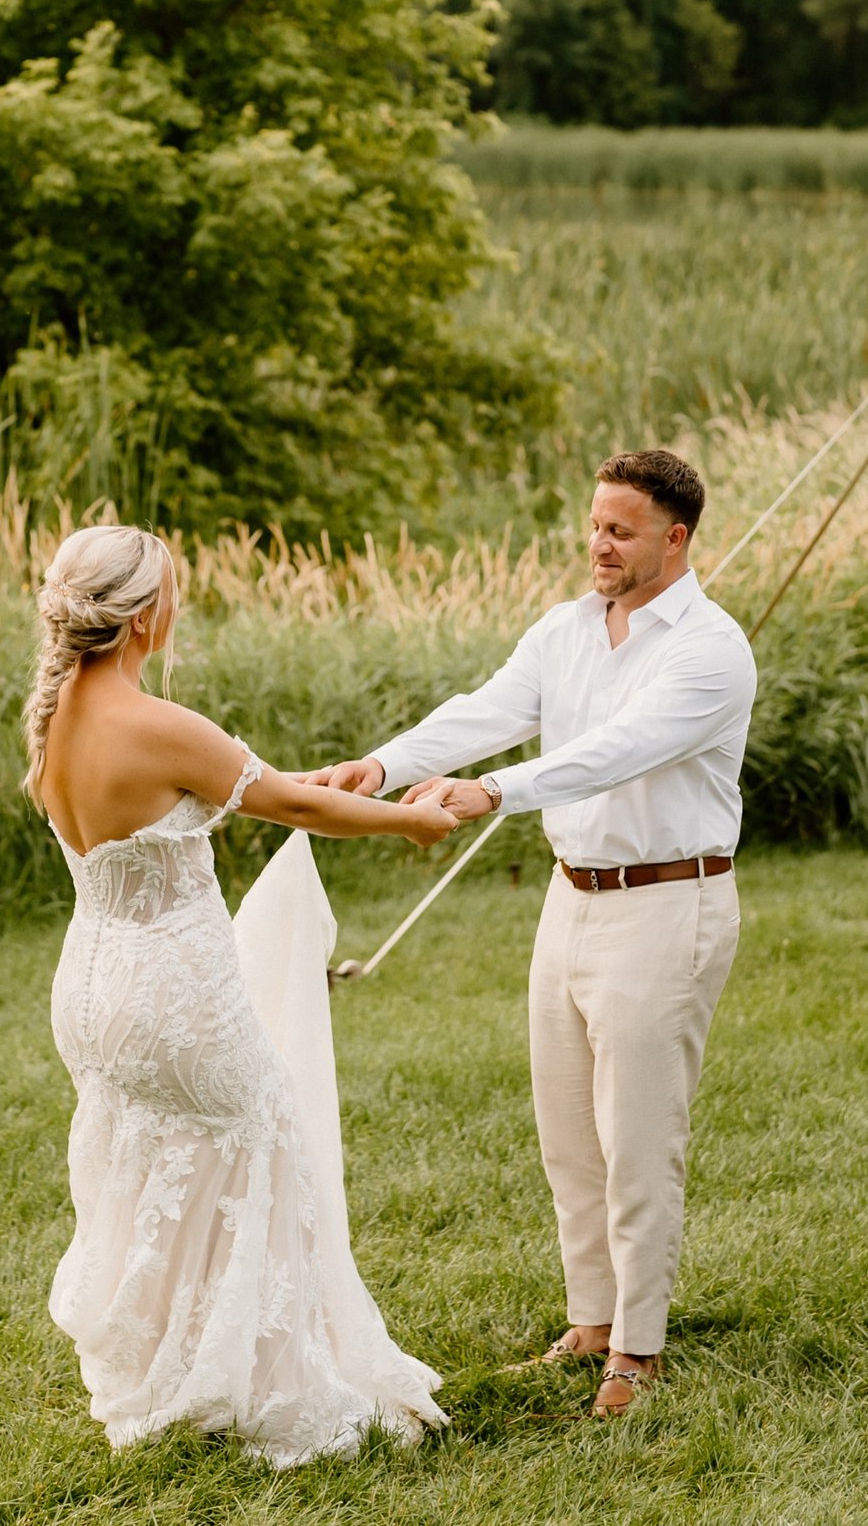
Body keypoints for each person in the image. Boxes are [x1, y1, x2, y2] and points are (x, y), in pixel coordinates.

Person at [309, 450, 756, 1417]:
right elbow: (488, 710)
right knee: (568, 1134)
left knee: (639, 1138)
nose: (599, 544)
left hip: (667, 903)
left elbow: (615, 751)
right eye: (595, 525)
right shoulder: (563, 629)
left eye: (621, 530)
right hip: (571, 899)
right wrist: (381, 768)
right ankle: (590, 1321)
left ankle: (638, 1352)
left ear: (675, 538)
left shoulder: (710, 650)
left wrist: (495, 792)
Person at [27, 524, 460, 1466]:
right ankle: (267, 1388)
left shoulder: (56, 719)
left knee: (153, 1163)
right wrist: (408, 825)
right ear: (144, 617)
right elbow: (291, 807)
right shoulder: (158, 723)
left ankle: (173, 1370)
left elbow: (250, 788)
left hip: (91, 991)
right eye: (170, 596)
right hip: (175, 993)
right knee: (264, 1143)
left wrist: (342, 785)